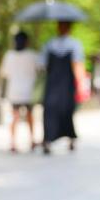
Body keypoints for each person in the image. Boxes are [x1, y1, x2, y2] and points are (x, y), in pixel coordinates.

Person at [39, 21, 86, 155]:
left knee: (51, 110)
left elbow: (42, 65)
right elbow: (78, 64)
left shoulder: (49, 44)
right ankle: (64, 138)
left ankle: (49, 139)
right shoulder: (74, 44)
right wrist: (81, 84)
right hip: (66, 84)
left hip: (53, 83)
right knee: (66, 110)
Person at [0, 31, 38, 153]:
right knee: (30, 115)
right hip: (28, 90)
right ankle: (32, 140)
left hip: (14, 90)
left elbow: (4, 73)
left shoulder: (9, 55)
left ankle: (13, 142)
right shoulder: (32, 55)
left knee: (14, 116)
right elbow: (40, 68)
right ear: (27, 42)